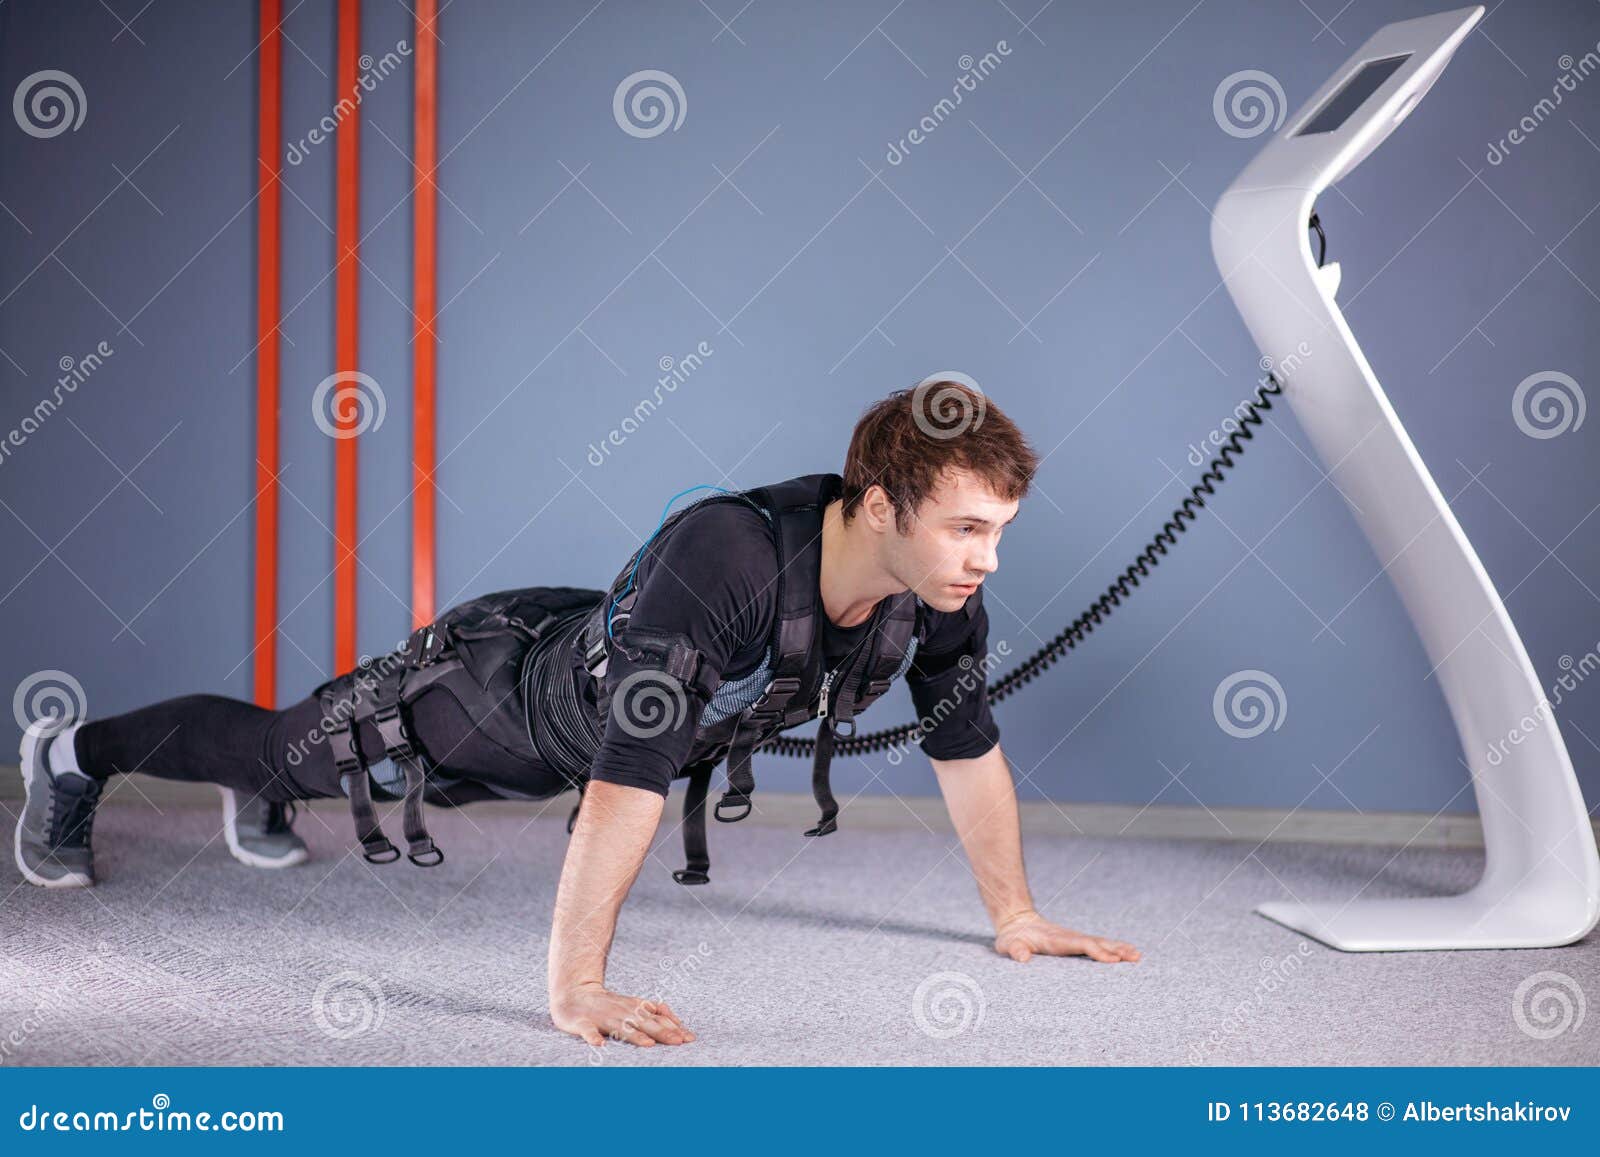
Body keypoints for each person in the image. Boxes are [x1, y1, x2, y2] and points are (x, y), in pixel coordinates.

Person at [13, 380, 1140, 1050]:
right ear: (882, 506)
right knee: (284, 750)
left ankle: (260, 787)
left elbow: (965, 746)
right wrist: (575, 987)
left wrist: (1017, 913)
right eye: (967, 530)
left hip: (585, 672)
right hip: (489, 698)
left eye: (999, 532)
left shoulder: (933, 597)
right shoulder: (732, 554)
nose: (986, 561)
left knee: (310, 768)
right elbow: (626, 781)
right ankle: (70, 753)